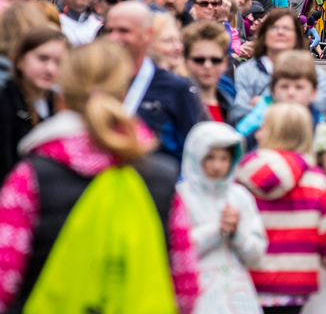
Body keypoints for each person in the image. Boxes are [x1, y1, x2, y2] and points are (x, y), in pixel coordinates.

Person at [0, 40, 200, 313]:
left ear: (62, 95)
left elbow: (4, 277)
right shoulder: (162, 177)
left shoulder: (29, 177)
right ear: (124, 93)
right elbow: (186, 287)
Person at [236, 103, 326, 312]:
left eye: (263, 127)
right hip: (293, 293)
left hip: (247, 286)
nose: (258, 133)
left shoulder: (243, 173)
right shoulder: (317, 182)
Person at [177, 122, 268, 314]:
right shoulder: (181, 196)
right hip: (195, 295)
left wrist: (237, 232)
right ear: (196, 156)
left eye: (224, 158)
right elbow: (178, 251)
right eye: (210, 157)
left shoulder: (240, 197)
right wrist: (216, 229)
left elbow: (257, 255)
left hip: (237, 298)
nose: (217, 165)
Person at [105, 1, 202, 162]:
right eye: (110, 30)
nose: (114, 37)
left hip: (157, 182)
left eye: (123, 30)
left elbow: (191, 149)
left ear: (147, 34)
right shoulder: (97, 80)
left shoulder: (175, 87)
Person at [230, 9, 326, 125]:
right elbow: (239, 110)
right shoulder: (246, 71)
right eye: (274, 28)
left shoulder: (314, 72)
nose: (280, 32)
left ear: (297, 36)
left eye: (287, 29)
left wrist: (263, 104)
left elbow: (322, 104)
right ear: (263, 34)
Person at [0, 28, 66, 178]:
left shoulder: (57, 104)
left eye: (59, 62)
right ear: (20, 60)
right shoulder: (6, 101)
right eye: (42, 58)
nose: (50, 69)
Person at [235, 50, 326, 145]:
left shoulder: (321, 127)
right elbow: (239, 141)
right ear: (273, 91)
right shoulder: (259, 118)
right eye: (284, 86)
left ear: (313, 93)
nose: (291, 93)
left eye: (299, 87)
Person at [183, 21, 234, 123]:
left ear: (225, 63)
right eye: (199, 60)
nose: (207, 66)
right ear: (185, 62)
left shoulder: (231, 100)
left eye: (215, 60)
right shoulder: (177, 103)